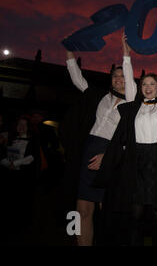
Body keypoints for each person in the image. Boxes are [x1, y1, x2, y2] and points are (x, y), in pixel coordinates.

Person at [93, 29, 157, 246]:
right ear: (140, 88)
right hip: (137, 164)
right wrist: (126, 54)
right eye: (144, 84)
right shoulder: (133, 106)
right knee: (135, 216)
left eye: (152, 84)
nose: (148, 87)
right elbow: (128, 74)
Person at [59, 33, 134, 246]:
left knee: (107, 211)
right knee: (82, 209)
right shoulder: (99, 96)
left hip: (110, 153)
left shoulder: (132, 101)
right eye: (115, 76)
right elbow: (77, 79)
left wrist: (126, 54)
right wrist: (69, 53)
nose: (118, 79)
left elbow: (129, 137)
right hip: (89, 150)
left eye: (122, 76)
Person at [0, 116, 40, 243]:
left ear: (28, 127)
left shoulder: (32, 141)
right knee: (10, 202)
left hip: (24, 178)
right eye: (19, 124)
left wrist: (15, 164)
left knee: (23, 202)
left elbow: (31, 157)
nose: (21, 127)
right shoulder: (9, 139)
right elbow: (1, 155)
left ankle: (22, 230)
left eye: (24, 125)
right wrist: (8, 164)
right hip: (10, 177)